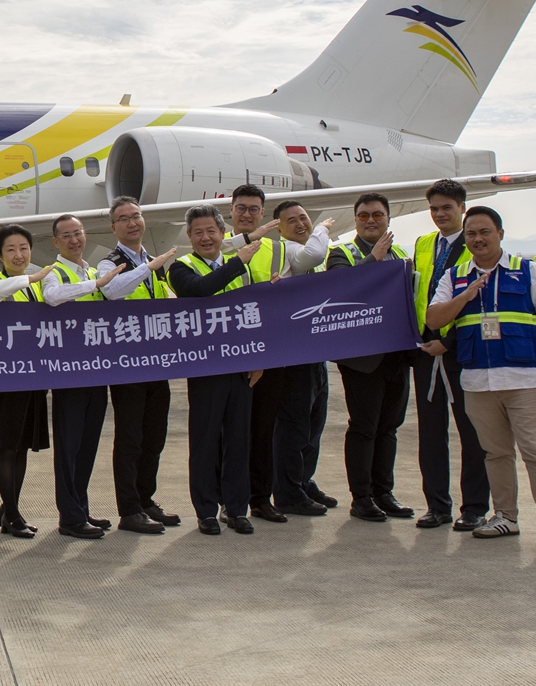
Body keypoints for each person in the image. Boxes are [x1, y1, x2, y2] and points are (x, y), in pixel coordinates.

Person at [425, 207, 536, 555]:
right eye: (471, 234)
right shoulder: (456, 276)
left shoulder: (528, 271)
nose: (478, 239)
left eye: (485, 232)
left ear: (500, 234)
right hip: (478, 383)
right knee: (496, 453)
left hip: (525, 380)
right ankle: (506, 516)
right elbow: (434, 318)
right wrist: (465, 296)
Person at [168, 205, 271, 535]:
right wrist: (239, 259)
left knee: (239, 441)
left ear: (222, 233)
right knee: (205, 441)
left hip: (240, 367)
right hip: (206, 368)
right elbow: (200, 290)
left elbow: (252, 312)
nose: (205, 237)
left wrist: (258, 357)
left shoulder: (237, 267)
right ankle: (206, 511)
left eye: (211, 230)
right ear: (189, 237)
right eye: (198, 232)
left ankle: (237, 508)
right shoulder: (182, 267)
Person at [234, 196, 335, 523]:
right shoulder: (291, 251)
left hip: (315, 351)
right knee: (292, 426)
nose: (301, 224)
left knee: (312, 424)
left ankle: (302, 482)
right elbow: (314, 252)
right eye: (292, 220)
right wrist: (322, 228)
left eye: (305, 218)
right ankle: (289, 492)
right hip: (290, 354)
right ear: (278, 226)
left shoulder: (311, 257)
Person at [99, 196, 194, 535]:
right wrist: (147, 269)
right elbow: (112, 292)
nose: (132, 222)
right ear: (114, 228)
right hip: (127, 367)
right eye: (123, 218)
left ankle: (145, 499)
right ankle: (129, 510)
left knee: (154, 437)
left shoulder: (155, 262)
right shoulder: (109, 263)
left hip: (156, 363)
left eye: (136, 216)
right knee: (130, 439)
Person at [323, 193, 415, 522]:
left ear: (389, 218)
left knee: (389, 427)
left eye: (377, 215)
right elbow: (341, 290)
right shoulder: (341, 252)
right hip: (362, 358)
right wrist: (373, 258)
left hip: (396, 354)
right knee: (364, 427)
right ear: (355, 219)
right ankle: (360, 497)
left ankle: (383, 491)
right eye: (363, 216)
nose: (370, 220)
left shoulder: (402, 254)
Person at [410, 179, 490, 531]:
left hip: (462, 351)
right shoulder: (424, 243)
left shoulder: (476, 244)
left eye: (447, 208)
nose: (440, 214)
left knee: (472, 431)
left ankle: (474, 507)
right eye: (435, 209)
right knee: (430, 432)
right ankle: (437, 505)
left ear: (462, 208)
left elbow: (483, 301)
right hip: (425, 350)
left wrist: (450, 340)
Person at [39, 214, 121, 539]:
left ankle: (82, 508)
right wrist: (96, 285)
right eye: (66, 236)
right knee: (69, 447)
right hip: (68, 375)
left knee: (87, 445)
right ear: (56, 242)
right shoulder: (54, 273)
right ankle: (70, 517)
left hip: (96, 372)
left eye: (78, 233)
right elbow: (53, 296)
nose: (74, 240)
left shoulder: (89, 270)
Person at [0, 224, 49, 539]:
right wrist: (29, 277)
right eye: (10, 250)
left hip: (34, 376)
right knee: (7, 446)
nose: (18, 255)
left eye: (23, 248)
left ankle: (9, 509)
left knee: (22, 447)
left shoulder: (38, 286)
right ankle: (13, 516)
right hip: (8, 377)